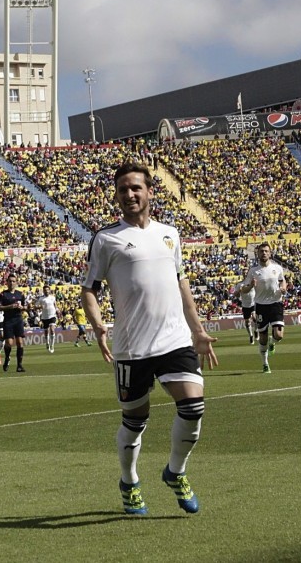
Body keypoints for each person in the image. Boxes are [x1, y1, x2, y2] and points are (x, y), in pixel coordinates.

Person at [81, 163, 219, 516]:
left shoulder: (169, 233)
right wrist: (98, 327)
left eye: (136, 188)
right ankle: (129, 482)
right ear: (117, 195)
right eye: (123, 189)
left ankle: (176, 471)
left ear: (149, 192)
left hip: (174, 341)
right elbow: (89, 290)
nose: (129, 194)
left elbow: (181, 283)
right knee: (135, 420)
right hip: (131, 347)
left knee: (193, 408)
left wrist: (198, 330)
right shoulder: (106, 238)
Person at [240, 243, 287, 373]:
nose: (264, 253)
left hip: (276, 303)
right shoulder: (253, 271)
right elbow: (243, 289)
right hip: (261, 305)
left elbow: (282, 280)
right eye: (261, 251)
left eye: (266, 251)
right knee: (263, 337)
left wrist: (283, 287)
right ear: (258, 254)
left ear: (270, 253)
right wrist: (250, 286)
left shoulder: (277, 268)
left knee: (278, 334)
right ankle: (265, 364)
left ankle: (273, 341)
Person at [0, 275, 27, 373]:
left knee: (20, 342)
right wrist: (10, 306)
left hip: (18, 319)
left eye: (13, 281)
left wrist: (22, 307)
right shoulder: (3, 294)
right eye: (10, 281)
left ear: (16, 282)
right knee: (9, 343)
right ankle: (7, 358)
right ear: (7, 282)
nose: (11, 283)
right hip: (8, 320)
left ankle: (19, 365)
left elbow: (25, 307)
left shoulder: (20, 294)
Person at [35, 284, 58, 353]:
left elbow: (55, 305)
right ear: (43, 291)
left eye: (47, 290)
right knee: (46, 332)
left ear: (49, 290)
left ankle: (52, 345)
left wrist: (57, 310)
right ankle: (47, 343)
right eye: (45, 290)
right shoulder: (41, 298)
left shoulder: (53, 297)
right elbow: (35, 306)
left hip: (52, 315)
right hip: (45, 316)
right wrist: (40, 307)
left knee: (52, 329)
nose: (46, 291)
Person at [237, 272, 257, 344]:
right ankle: (251, 336)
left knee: (255, 318)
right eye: (244, 273)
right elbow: (236, 294)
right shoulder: (240, 284)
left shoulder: (253, 281)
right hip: (245, 305)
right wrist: (239, 291)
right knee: (247, 321)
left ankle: (256, 330)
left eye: (246, 273)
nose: (245, 274)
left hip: (254, 303)